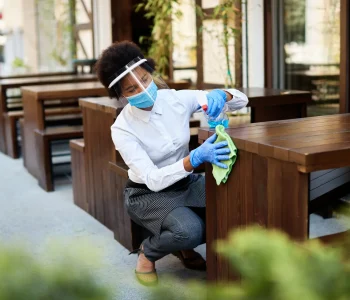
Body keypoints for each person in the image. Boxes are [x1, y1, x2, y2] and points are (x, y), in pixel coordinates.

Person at [95, 41, 248, 286]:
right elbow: (153, 179)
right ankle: (149, 251)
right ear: (121, 96)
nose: (143, 90)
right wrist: (193, 159)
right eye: (132, 89)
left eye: (145, 80)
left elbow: (242, 100)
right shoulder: (122, 129)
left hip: (185, 183)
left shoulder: (174, 99)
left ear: (151, 73)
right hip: (148, 194)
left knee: (236, 205)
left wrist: (222, 95)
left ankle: (184, 245)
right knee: (190, 230)